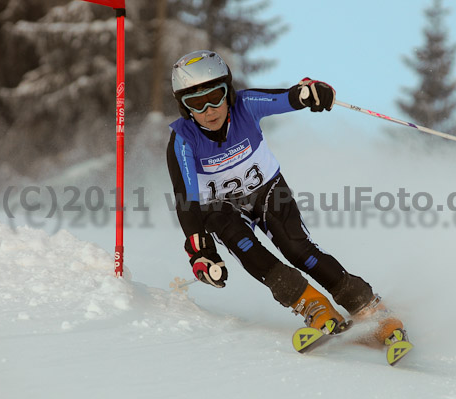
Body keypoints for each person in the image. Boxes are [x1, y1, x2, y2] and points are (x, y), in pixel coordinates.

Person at [166, 50, 402, 339]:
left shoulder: (246, 105)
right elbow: (186, 200)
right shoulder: (183, 139)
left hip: (267, 192)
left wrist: (310, 93)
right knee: (248, 250)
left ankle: (368, 308)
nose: (209, 110)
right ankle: (311, 304)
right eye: (196, 103)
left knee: (298, 249)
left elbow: (289, 98)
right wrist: (200, 250)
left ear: (228, 91)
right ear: (184, 107)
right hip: (220, 208)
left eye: (216, 96)